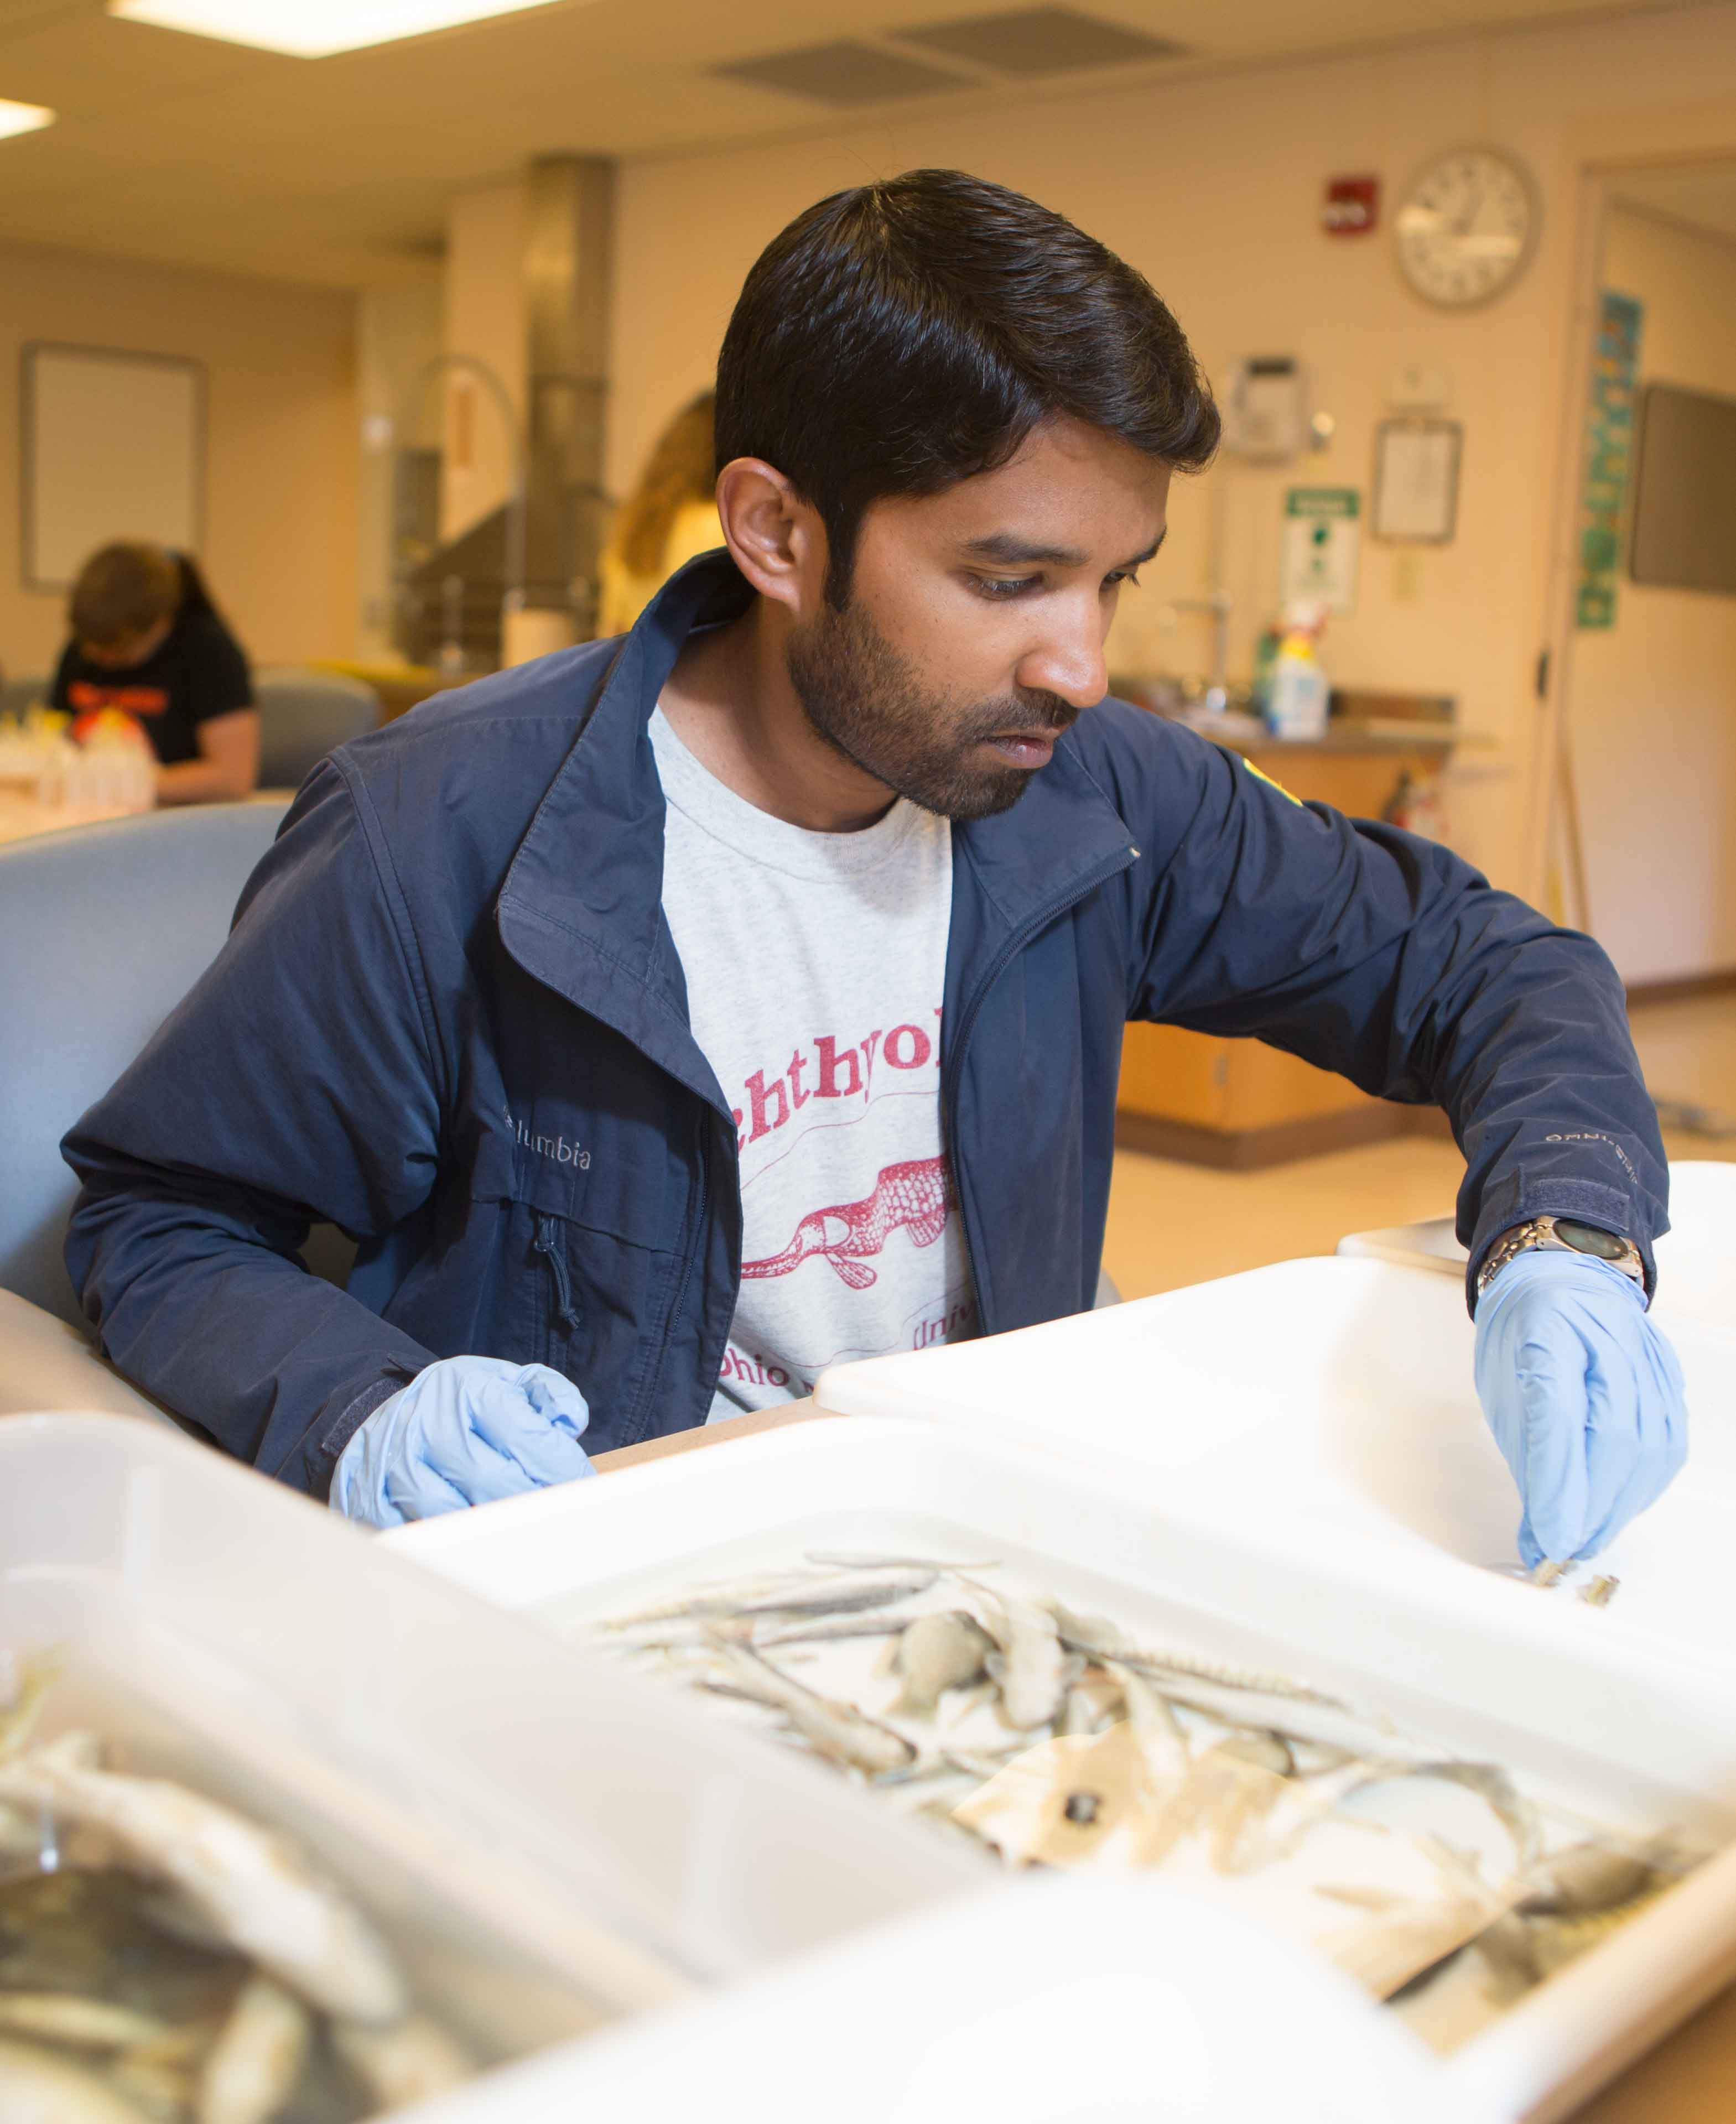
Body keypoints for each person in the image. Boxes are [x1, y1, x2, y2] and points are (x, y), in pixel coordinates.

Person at [63, 170, 1684, 1568]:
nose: (1078, 662)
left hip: (982, 1530)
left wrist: (1564, 1239)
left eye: (1110, 579)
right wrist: (359, 1409)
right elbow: (163, 1221)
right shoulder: (444, 824)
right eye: (1008, 576)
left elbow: (1490, 964)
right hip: (621, 1577)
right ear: (773, 533)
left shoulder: (1097, 794)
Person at [51, 543, 258, 804]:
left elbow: (232, 779)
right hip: (88, 810)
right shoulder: (84, 649)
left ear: (161, 624)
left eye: (116, 648)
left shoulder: (209, 651)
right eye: (88, 646)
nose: (98, 658)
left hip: (173, 818)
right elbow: (57, 741)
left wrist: (114, 784)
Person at [595, 392, 724, 638]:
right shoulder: (724, 526)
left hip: (645, 671)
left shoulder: (632, 530)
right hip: (703, 672)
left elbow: (611, 635)